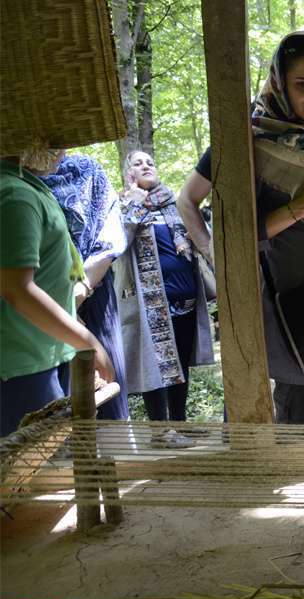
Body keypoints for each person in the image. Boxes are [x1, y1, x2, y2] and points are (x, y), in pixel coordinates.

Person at [176, 32, 304, 425]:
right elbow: (187, 201)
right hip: (275, 307)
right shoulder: (244, 140)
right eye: (303, 85)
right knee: (291, 425)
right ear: (279, 83)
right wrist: (217, 256)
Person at [1, 149, 114, 436]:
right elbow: (17, 288)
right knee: (29, 474)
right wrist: (87, 342)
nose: (62, 151)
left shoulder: (26, 186)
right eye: (54, 142)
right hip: (20, 367)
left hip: (38, 356)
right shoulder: (15, 194)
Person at [115, 150, 215, 431]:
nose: (146, 165)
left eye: (150, 162)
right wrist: (135, 204)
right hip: (151, 304)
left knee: (180, 366)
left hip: (186, 300)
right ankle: (160, 430)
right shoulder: (124, 207)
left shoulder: (173, 203)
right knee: (155, 367)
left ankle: (180, 425)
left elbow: (200, 237)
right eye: (138, 163)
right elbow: (119, 244)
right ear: (129, 174)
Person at [41, 154, 129, 421]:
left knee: (105, 385)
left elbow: (110, 235)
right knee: (52, 403)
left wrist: (83, 288)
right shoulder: (14, 178)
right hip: (38, 297)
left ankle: (113, 458)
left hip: (93, 292)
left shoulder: (86, 169)